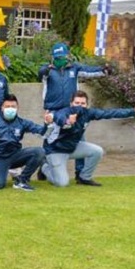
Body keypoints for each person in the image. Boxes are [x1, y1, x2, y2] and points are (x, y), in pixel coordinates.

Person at [41, 90, 135, 187]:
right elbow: (58, 118)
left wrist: (133, 111)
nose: (80, 106)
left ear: (87, 105)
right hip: (55, 151)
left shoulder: (88, 113)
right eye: (77, 103)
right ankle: (44, 167)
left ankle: (84, 177)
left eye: (83, 103)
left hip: (72, 148)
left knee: (97, 151)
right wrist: (67, 122)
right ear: (71, 103)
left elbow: (109, 113)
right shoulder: (64, 112)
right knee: (62, 183)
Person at [39, 42, 109, 181]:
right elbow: (41, 73)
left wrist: (104, 70)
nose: (61, 59)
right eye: (57, 57)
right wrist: (47, 69)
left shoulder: (74, 68)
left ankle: (80, 173)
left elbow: (89, 71)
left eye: (63, 56)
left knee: (78, 139)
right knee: (50, 141)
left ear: (68, 56)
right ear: (52, 57)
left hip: (73, 111)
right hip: (53, 111)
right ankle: (44, 167)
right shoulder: (47, 71)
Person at [0, 94, 48, 191]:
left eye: (13, 107)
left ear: (17, 108)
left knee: (39, 151)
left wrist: (47, 124)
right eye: (7, 106)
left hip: (15, 156)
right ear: (2, 108)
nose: (10, 109)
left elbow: (42, 132)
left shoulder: (22, 122)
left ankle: (22, 180)